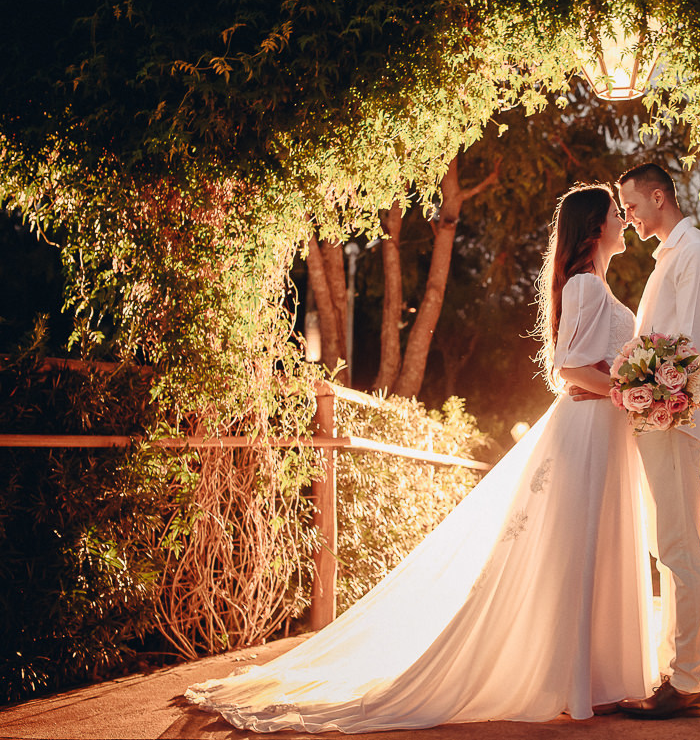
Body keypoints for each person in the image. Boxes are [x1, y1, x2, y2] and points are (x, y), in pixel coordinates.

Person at [184, 184, 656, 732]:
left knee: (590, 549)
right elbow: (570, 370)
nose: (625, 222)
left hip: (601, 428)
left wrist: (629, 387)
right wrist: (626, 389)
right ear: (596, 227)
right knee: (578, 550)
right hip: (591, 432)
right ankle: (577, 679)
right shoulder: (585, 288)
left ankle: (594, 678)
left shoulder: (592, 286)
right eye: (616, 215)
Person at [615, 162, 700, 719]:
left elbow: (691, 345)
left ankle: (687, 683)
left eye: (632, 205)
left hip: (676, 419)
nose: (626, 216)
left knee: (681, 548)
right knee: (668, 547)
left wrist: (650, 396)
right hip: (656, 417)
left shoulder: (698, 253)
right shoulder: (668, 257)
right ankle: (674, 675)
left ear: (660, 196)